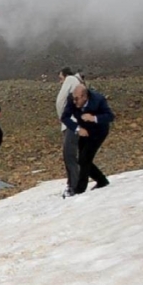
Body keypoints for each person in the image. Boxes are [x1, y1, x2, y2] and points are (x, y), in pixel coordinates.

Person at [62, 84, 114, 195]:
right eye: (73, 98)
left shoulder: (98, 99)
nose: (74, 101)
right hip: (84, 131)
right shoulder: (72, 100)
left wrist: (94, 118)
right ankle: (101, 180)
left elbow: (110, 116)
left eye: (77, 99)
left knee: (85, 159)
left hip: (98, 131)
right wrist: (77, 128)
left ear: (85, 97)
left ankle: (80, 190)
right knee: (82, 159)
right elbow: (64, 117)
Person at [56, 67, 84, 197]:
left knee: (69, 154)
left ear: (66, 76)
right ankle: (73, 183)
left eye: (61, 78)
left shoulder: (71, 79)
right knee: (72, 154)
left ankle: (74, 186)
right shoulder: (76, 83)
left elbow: (61, 100)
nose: (60, 82)